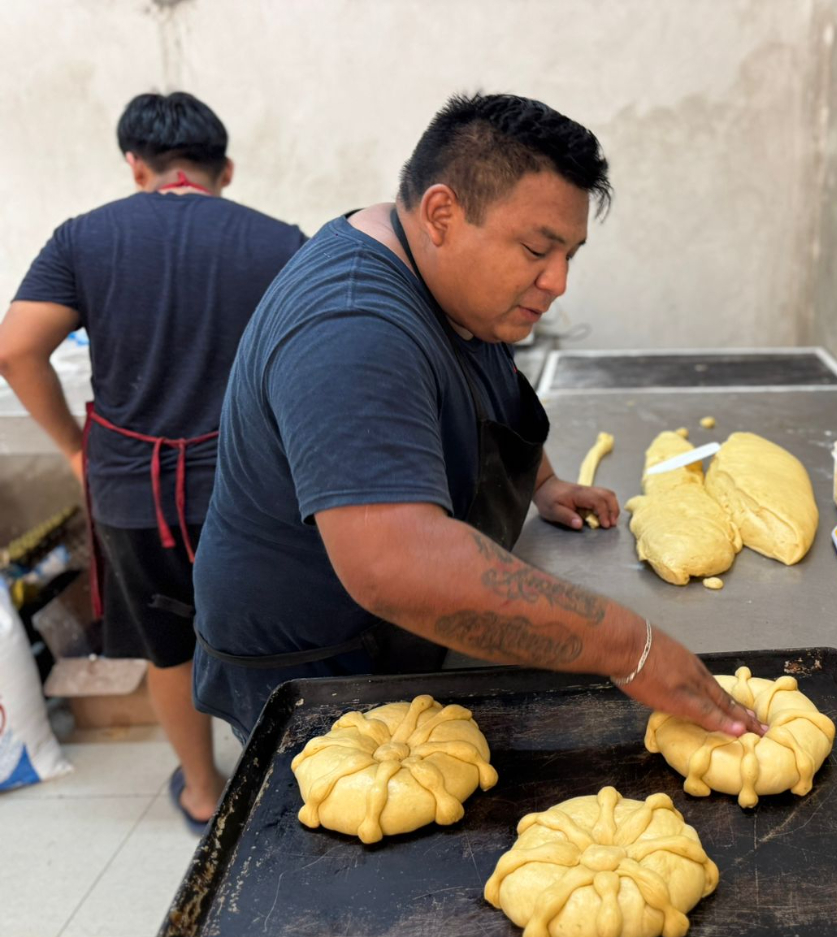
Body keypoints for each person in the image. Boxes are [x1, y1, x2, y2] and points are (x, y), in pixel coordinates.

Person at [191, 92, 762, 743]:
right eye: (536, 249)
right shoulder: (352, 328)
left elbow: (488, 380)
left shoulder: (451, 281)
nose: (557, 282)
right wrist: (629, 645)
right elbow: (394, 564)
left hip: (399, 641)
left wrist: (542, 482)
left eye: (569, 255)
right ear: (441, 212)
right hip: (318, 670)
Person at [0, 92, 307, 828]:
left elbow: (14, 348)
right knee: (280, 640)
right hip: (253, 487)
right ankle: (303, 787)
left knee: (169, 647)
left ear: (135, 166)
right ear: (224, 169)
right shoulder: (280, 241)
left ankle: (204, 789)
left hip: (135, 489)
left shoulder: (83, 238)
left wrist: (77, 447)